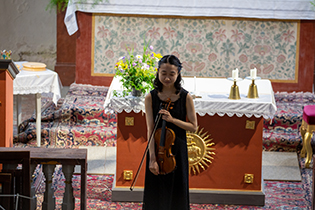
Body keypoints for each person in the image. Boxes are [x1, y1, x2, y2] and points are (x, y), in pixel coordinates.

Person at [143, 55, 198, 210]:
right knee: (155, 192)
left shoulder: (186, 97)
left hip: (177, 151)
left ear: (178, 74)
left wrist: (173, 120)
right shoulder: (150, 97)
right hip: (156, 150)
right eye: (164, 73)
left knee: (177, 193)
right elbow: (150, 129)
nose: (167, 77)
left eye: (171, 74)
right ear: (158, 72)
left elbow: (194, 127)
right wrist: (152, 158)